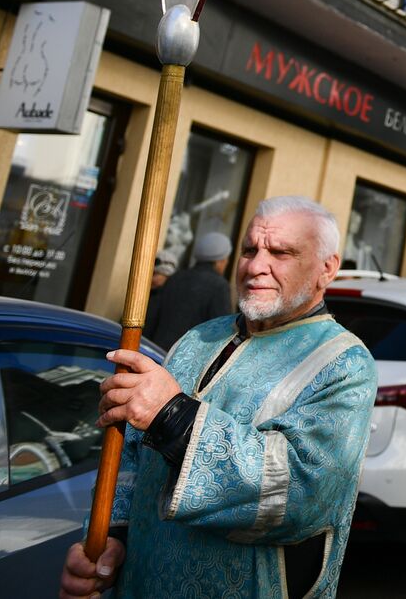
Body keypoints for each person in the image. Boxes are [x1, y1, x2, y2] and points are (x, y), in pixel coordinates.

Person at [59, 196, 376, 599]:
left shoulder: (344, 363)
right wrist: (111, 538)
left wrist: (173, 416)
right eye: (249, 250)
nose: (256, 265)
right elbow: (132, 457)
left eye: (280, 252)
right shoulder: (197, 339)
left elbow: (301, 496)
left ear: (327, 268)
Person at [144, 232, 234, 350]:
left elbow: (152, 317)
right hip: (186, 360)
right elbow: (222, 332)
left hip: (156, 351)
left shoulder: (176, 277)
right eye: (226, 259)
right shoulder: (219, 286)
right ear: (220, 261)